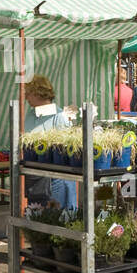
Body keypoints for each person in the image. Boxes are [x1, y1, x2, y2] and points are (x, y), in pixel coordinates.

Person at [23, 74, 77, 212]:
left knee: (58, 219)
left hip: (57, 178)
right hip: (36, 178)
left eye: (28, 94)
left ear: (38, 93)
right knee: (38, 219)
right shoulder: (30, 115)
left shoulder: (60, 117)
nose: (26, 97)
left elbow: (66, 150)